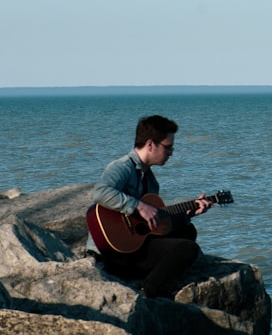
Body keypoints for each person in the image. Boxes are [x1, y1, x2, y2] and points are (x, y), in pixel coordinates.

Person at [86, 114, 213, 298]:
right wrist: (138, 205)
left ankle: (150, 277)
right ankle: (148, 290)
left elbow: (153, 227)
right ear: (151, 144)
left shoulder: (151, 182)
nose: (171, 153)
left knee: (188, 231)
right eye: (168, 147)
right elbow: (100, 192)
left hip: (135, 249)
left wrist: (188, 213)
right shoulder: (122, 167)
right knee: (188, 249)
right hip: (112, 253)